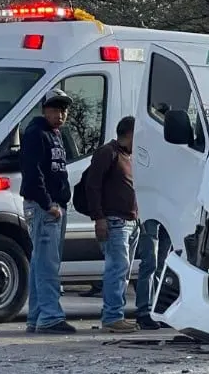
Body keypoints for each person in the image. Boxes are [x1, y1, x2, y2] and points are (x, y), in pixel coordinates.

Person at [20, 88, 76, 333]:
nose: (60, 114)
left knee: (40, 263)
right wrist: (48, 203)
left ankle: (36, 317)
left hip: (53, 206)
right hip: (44, 207)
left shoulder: (56, 135)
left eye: (63, 109)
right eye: (55, 108)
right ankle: (51, 318)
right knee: (47, 264)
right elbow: (33, 174)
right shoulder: (36, 133)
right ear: (44, 110)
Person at [86, 116, 141, 333]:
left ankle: (116, 314)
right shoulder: (108, 153)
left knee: (123, 271)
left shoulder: (129, 155)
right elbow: (93, 185)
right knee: (116, 269)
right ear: (130, 134)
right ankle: (112, 316)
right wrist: (99, 218)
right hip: (114, 221)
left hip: (131, 221)